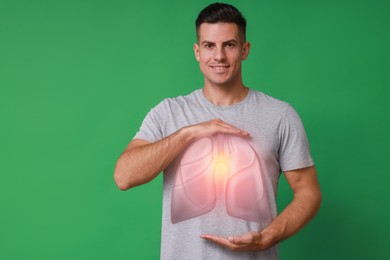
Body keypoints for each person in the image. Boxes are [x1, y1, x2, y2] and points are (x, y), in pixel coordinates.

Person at [114, 2, 321, 259]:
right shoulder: (169, 112)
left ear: (244, 50)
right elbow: (124, 177)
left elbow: (308, 192)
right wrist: (188, 133)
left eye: (229, 45)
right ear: (197, 51)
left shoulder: (280, 115)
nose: (219, 56)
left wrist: (268, 236)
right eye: (209, 46)